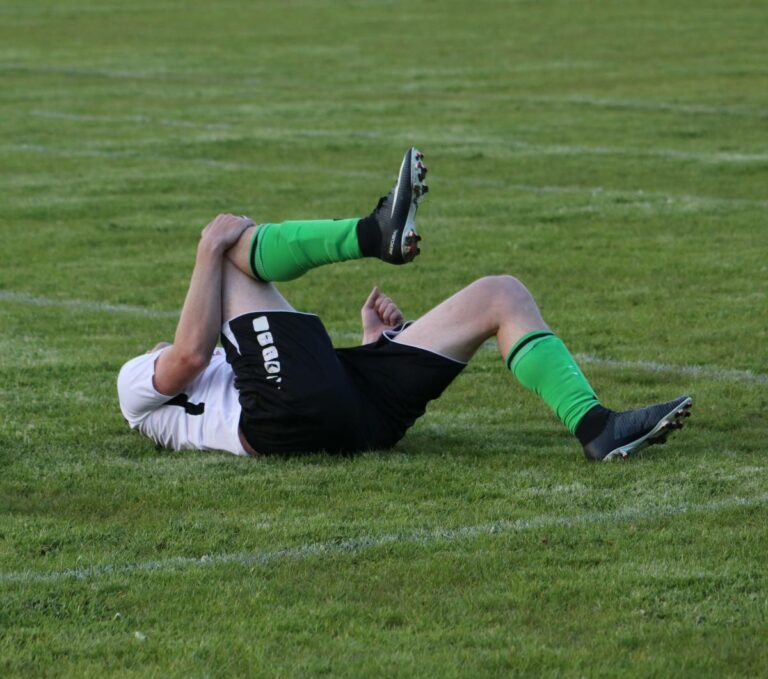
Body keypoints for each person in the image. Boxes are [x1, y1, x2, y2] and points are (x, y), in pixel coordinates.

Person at [118, 148, 692, 462]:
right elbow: (190, 355)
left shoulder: (237, 366)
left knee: (501, 294)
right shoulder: (133, 387)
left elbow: (301, 381)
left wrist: (372, 345)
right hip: (278, 423)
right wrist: (204, 248)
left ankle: (597, 427)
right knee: (229, 253)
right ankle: (374, 234)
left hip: (359, 418)